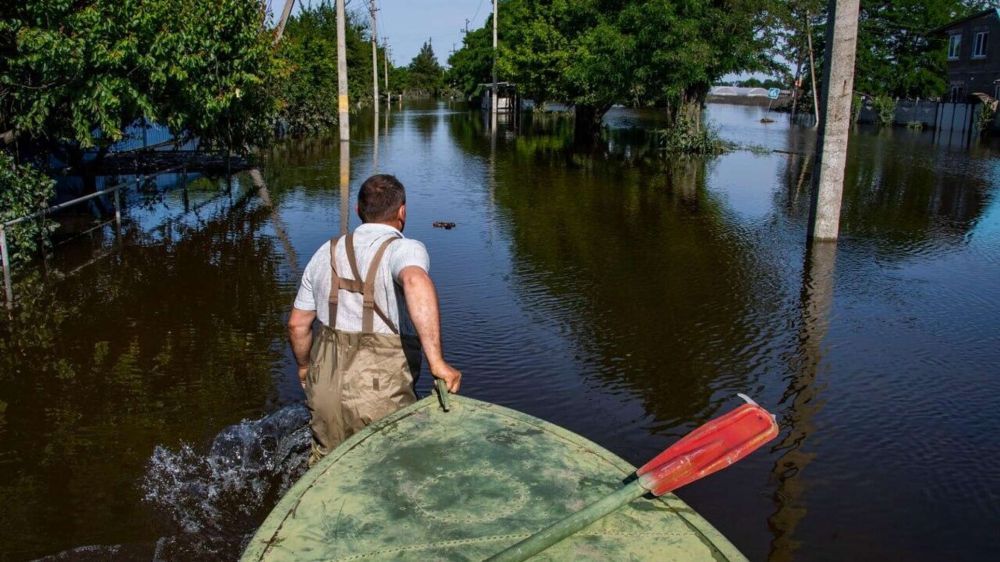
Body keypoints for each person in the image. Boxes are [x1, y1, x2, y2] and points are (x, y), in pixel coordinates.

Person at [287, 174, 462, 465]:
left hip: (324, 389)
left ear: (358, 211)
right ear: (402, 212)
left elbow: (297, 324)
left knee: (326, 470)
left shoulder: (323, 253)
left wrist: (305, 367)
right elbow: (416, 282)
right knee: (391, 471)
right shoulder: (404, 249)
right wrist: (437, 363)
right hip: (379, 392)